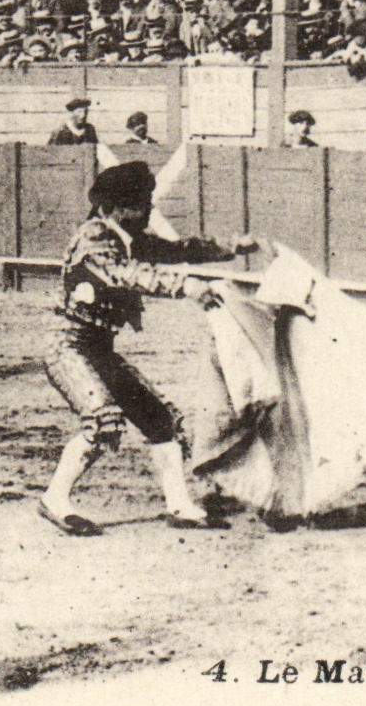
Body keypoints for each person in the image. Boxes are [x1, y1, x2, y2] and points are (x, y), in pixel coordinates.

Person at [39, 161, 260, 536]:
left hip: (98, 348)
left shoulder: (124, 237)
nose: (147, 211)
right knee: (103, 421)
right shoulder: (94, 237)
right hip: (69, 346)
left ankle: (180, 505)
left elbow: (176, 250)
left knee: (160, 422)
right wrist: (185, 287)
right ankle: (55, 500)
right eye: (139, 204)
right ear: (113, 207)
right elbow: (127, 275)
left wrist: (229, 247)